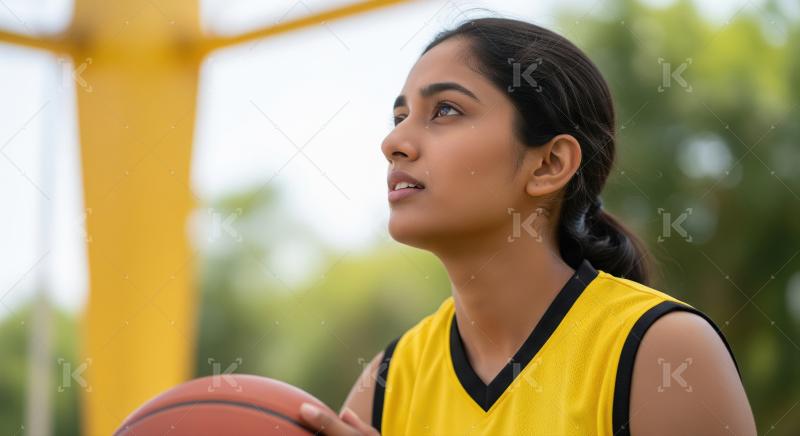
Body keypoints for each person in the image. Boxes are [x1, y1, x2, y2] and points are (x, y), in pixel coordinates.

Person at [298, 17, 757, 435]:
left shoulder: (662, 351)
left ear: (549, 164)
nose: (393, 142)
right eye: (400, 118)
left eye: (446, 111)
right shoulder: (387, 382)